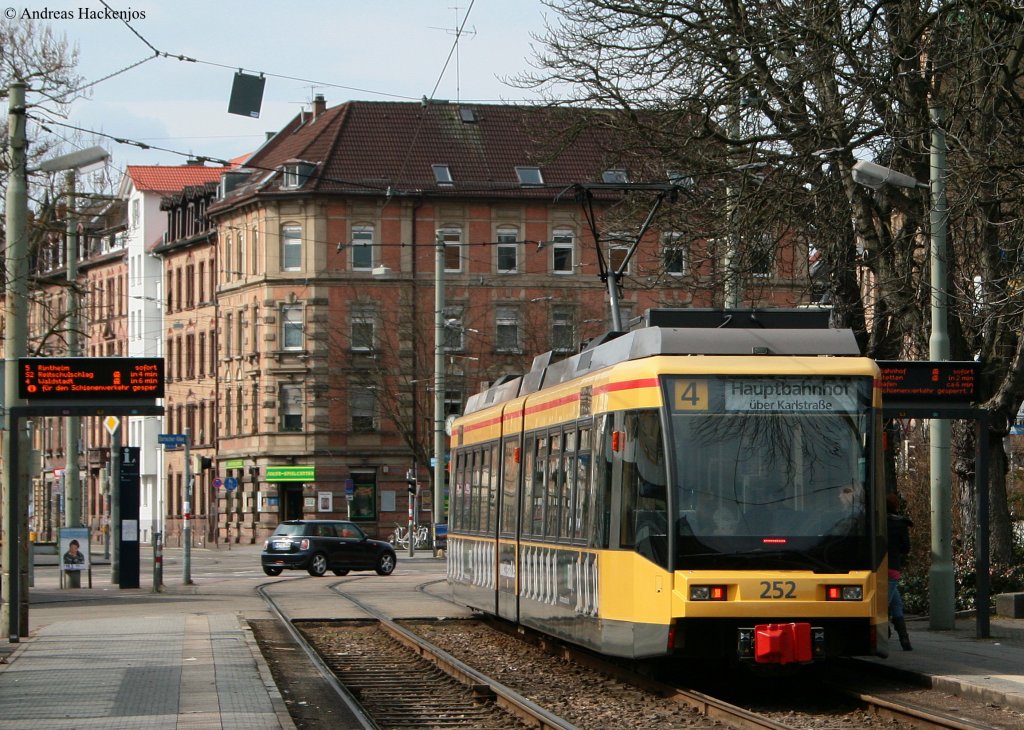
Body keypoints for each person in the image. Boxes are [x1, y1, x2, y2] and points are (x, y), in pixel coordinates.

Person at [886, 492, 913, 650]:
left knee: (894, 602)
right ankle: (904, 639)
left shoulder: (876, 522)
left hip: (878, 568)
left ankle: (904, 640)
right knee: (890, 604)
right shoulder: (901, 523)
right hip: (892, 569)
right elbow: (906, 548)